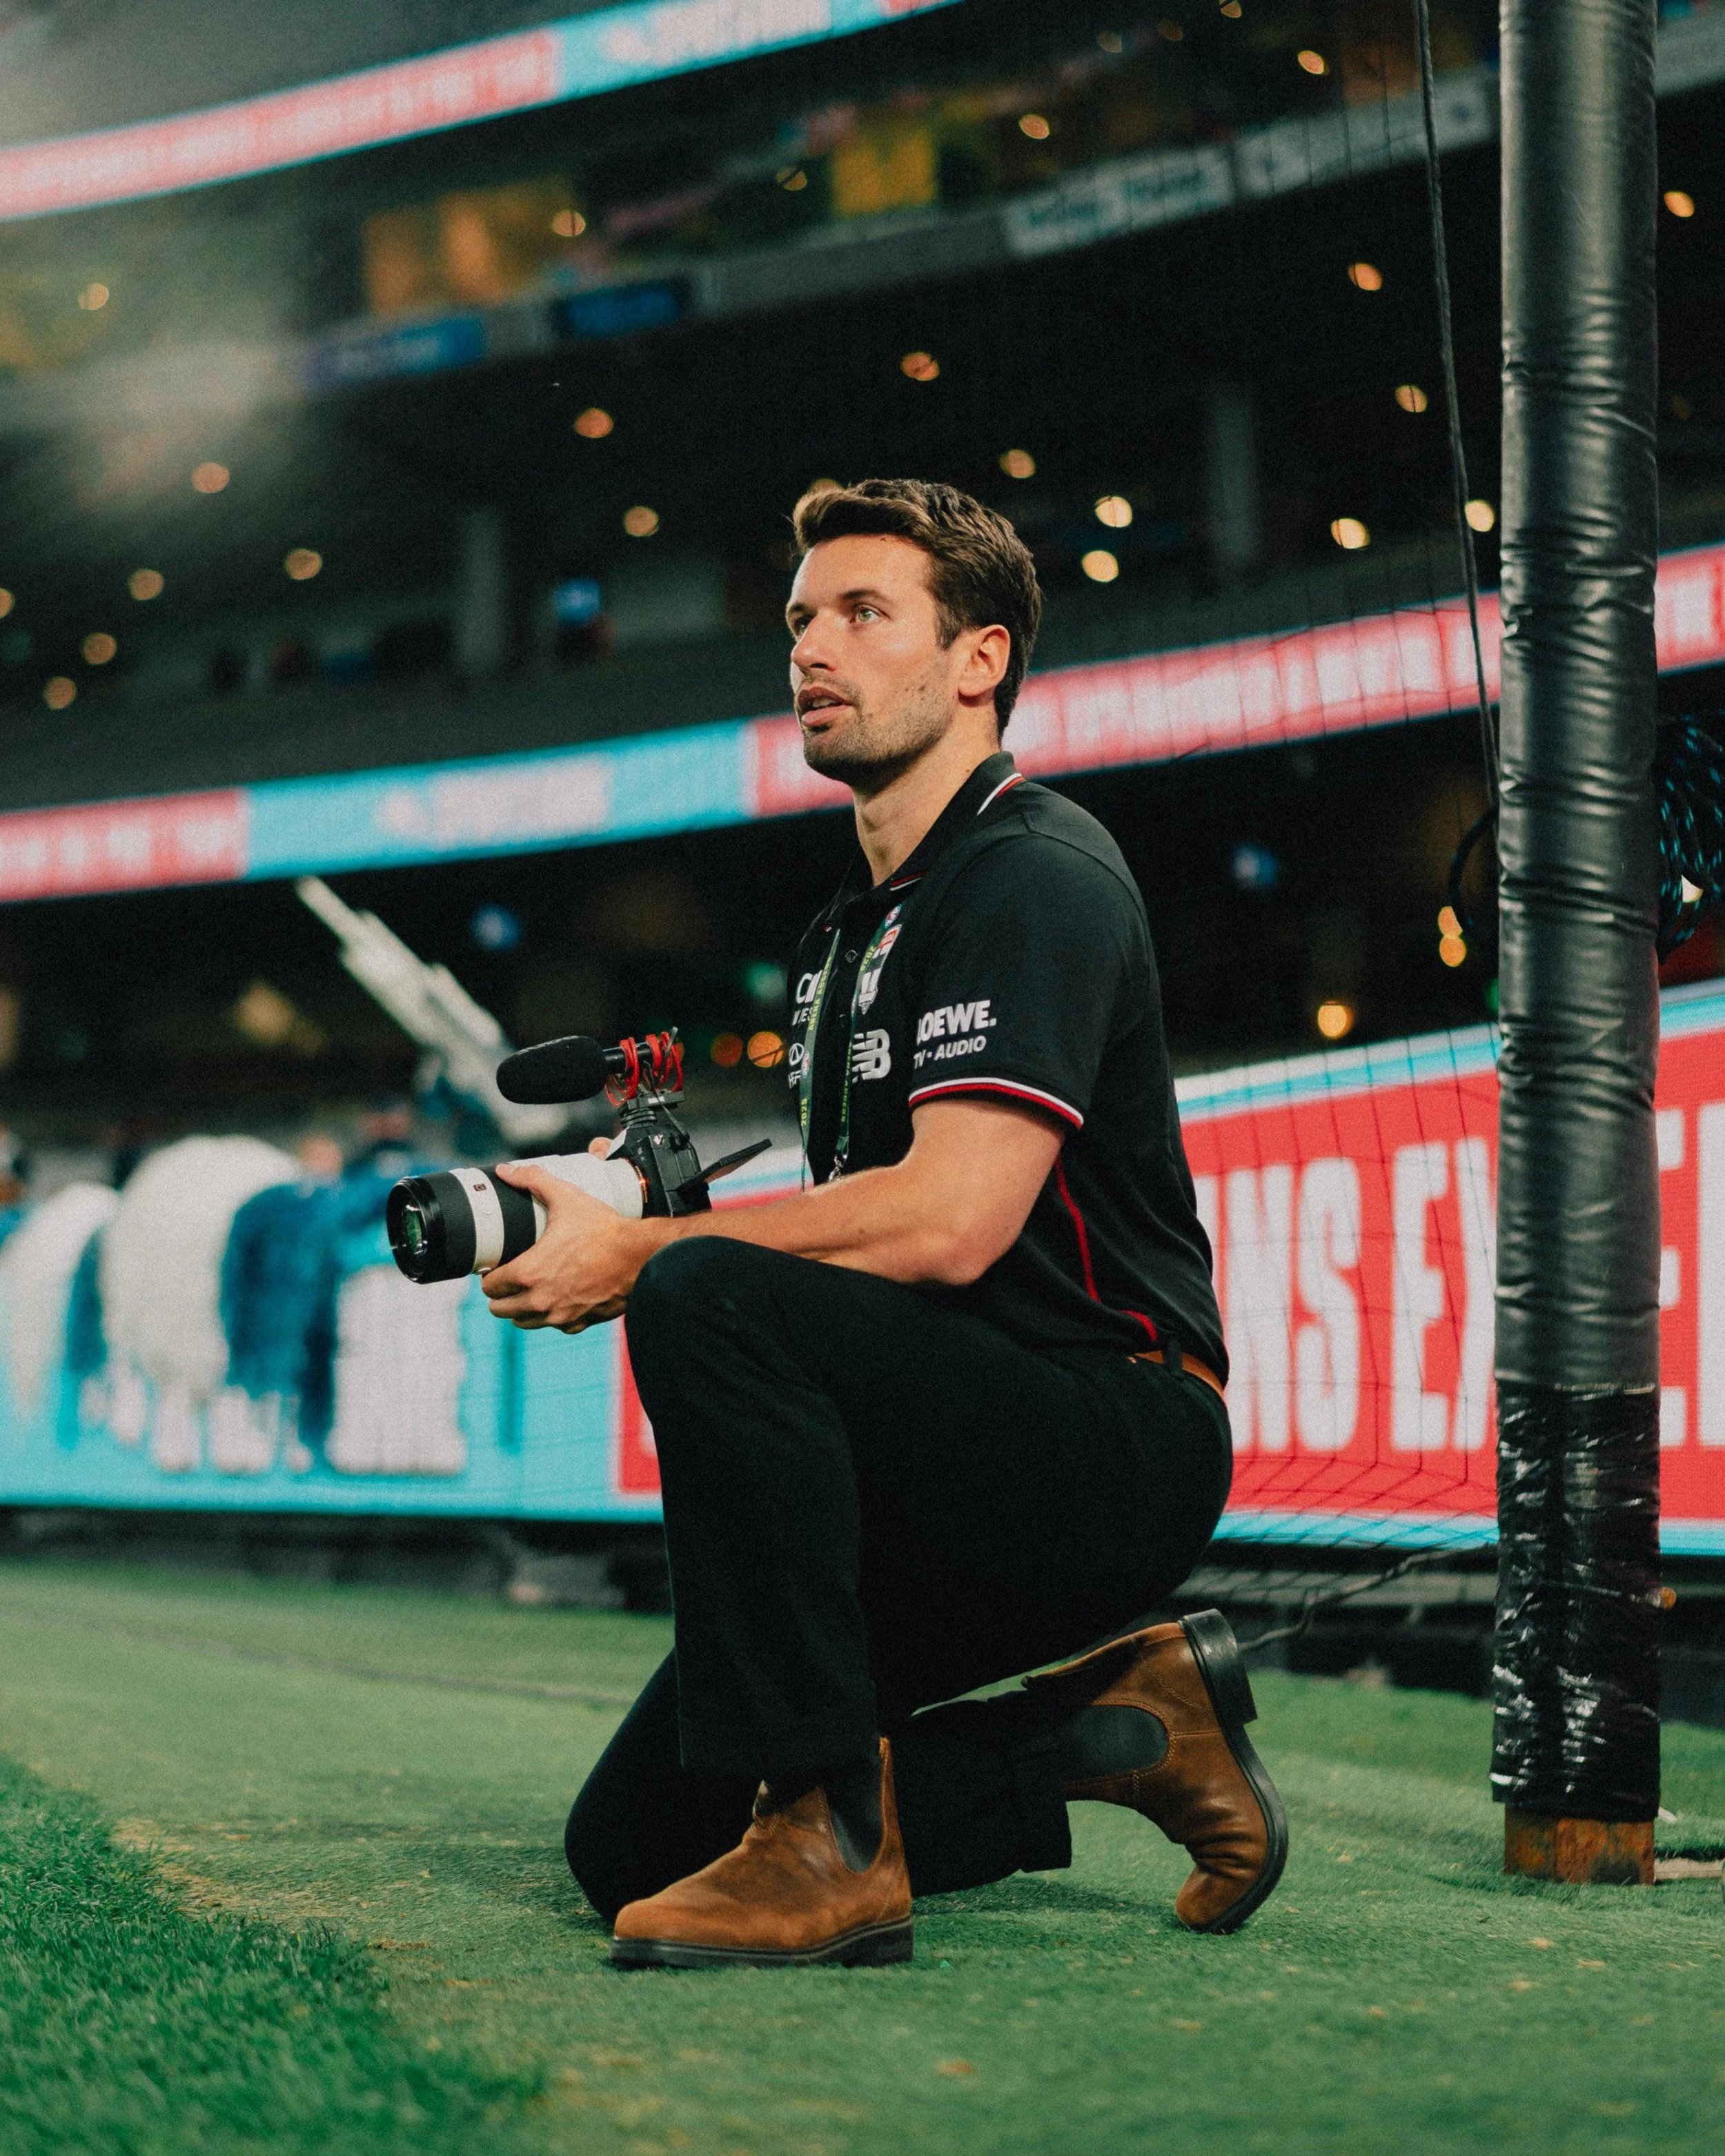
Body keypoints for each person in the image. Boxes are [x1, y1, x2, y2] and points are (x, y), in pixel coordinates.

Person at [482, 479, 1285, 1969]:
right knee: (629, 1847)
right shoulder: (842, 931)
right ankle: (1122, 1730)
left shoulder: (1031, 870)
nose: (811, 648)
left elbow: (951, 1224)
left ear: (976, 657)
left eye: (862, 614)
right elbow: (856, 1237)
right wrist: (649, 1207)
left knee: (700, 1294)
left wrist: (651, 1261)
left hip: (1107, 1431)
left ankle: (829, 1846)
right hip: (936, 1440)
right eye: (799, 618)